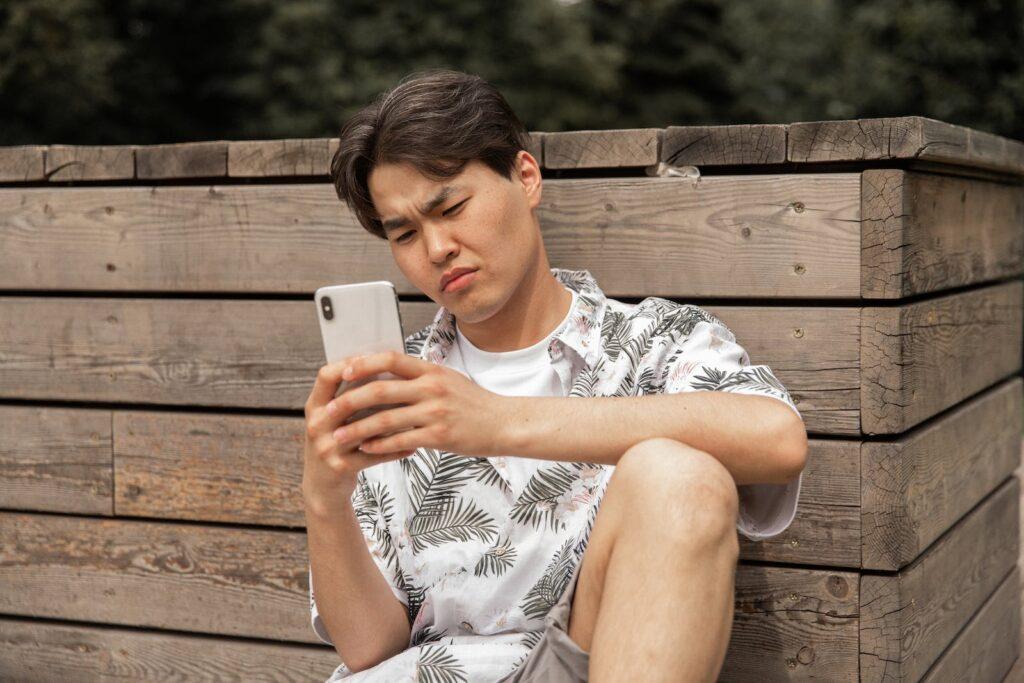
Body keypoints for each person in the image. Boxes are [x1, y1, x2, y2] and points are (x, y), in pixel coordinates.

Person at [302, 68, 808, 683]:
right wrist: (324, 500)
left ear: (525, 176)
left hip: (591, 661)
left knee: (679, 475)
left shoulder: (652, 343)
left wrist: (497, 422)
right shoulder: (397, 393)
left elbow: (777, 439)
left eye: (452, 207)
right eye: (404, 233)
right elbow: (370, 650)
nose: (436, 248)